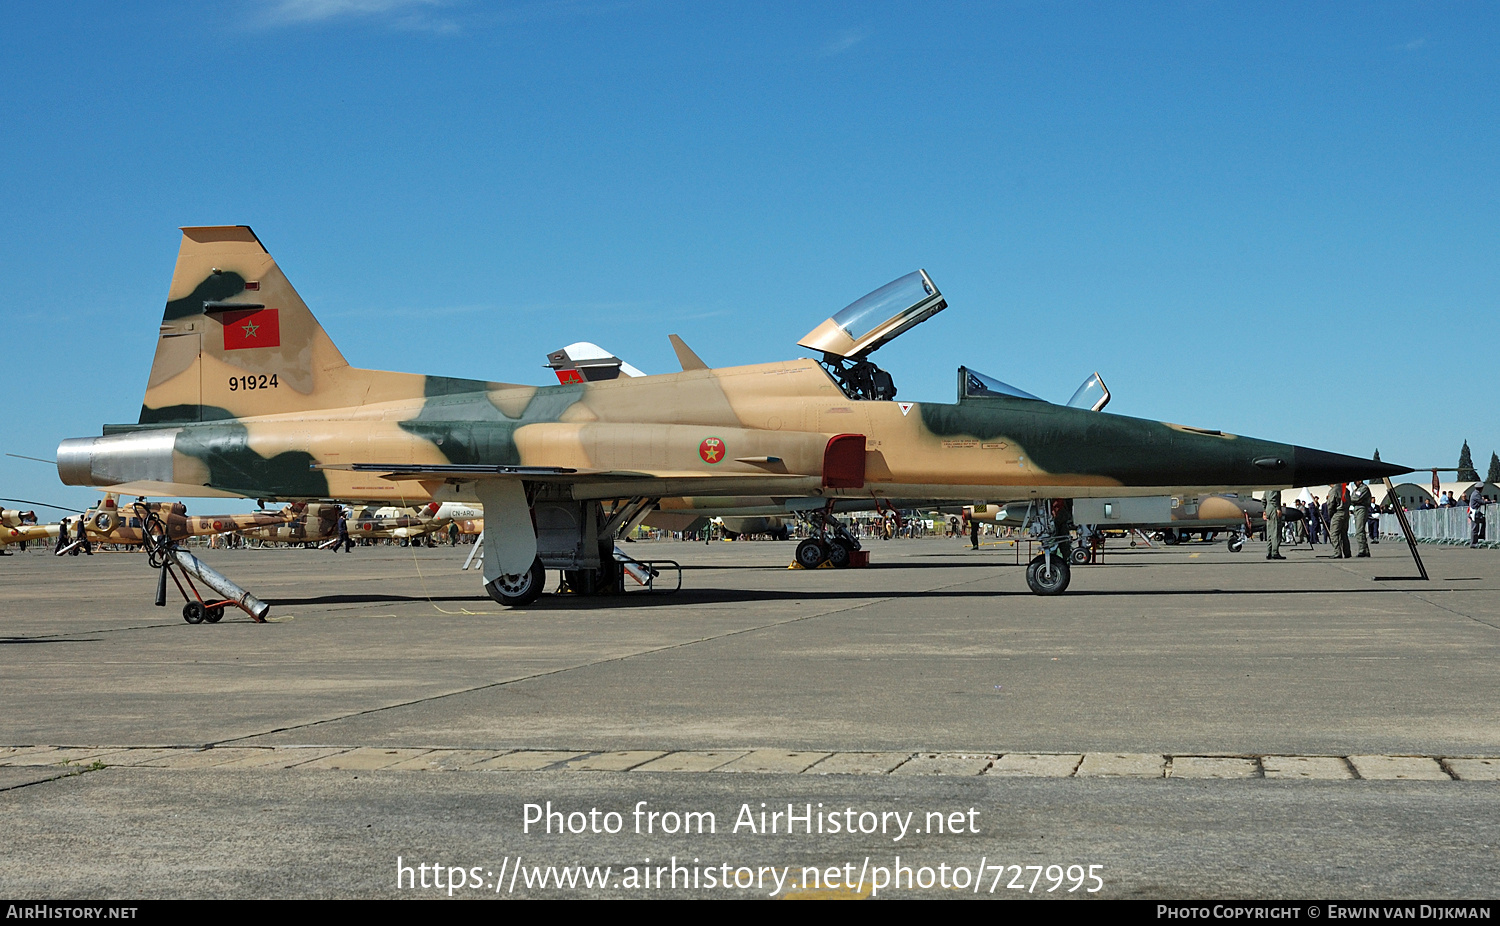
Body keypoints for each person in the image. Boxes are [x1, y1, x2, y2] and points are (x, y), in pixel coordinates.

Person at [1327, 484, 1351, 559]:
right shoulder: (1345, 490)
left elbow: (1331, 503)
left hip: (1338, 512)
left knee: (1334, 534)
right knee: (1344, 533)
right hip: (1346, 512)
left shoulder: (1333, 490)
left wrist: (1330, 514)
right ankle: (1347, 552)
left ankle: (1337, 552)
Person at [1349, 481, 1372, 557]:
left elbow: (1356, 498)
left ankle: (1362, 550)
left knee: (1359, 531)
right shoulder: (1357, 489)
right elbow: (1353, 498)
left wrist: (1353, 499)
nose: (1355, 483)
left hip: (1362, 508)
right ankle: (1366, 550)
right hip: (1357, 508)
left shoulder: (1363, 488)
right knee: (1360, 530)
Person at [1265, 489, 1284, 560]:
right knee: (1275, 532)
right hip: (1273, 509)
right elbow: (1273, 499)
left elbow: (1263, 500)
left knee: (1269, 532)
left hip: (1268, 509)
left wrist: (1265, 509)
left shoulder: (1266, 490)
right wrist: (1278, 508)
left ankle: (1269, 552)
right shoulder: (1275, 488)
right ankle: (1275, 552)